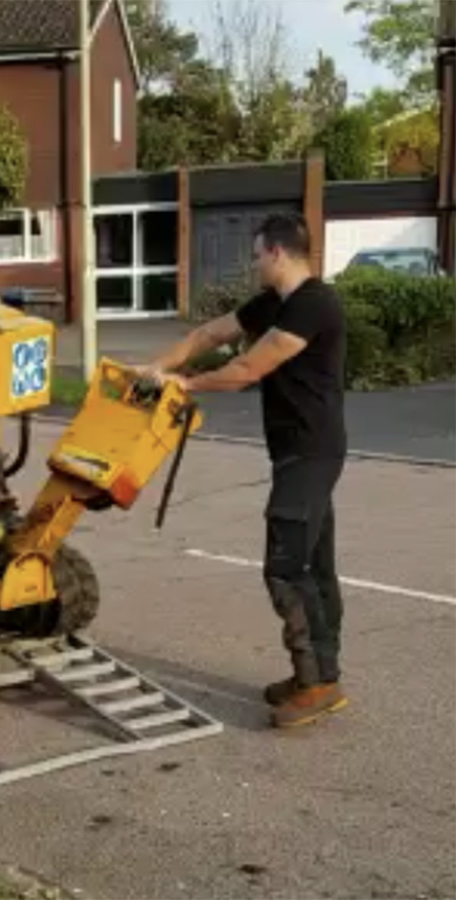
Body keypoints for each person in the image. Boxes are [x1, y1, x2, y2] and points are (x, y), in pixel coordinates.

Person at [145, 212, 348, 729]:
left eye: (257, 254)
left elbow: (245, 370)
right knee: (315, 565)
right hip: (298, 452)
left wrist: (186, 385)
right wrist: (156, 369)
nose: (253, 262)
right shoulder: (272, 304)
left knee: (286, 567)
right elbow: (211, 333)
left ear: (277, 252)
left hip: (311, 451)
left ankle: (316, 682)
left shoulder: (312, 305)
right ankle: (320, 673)